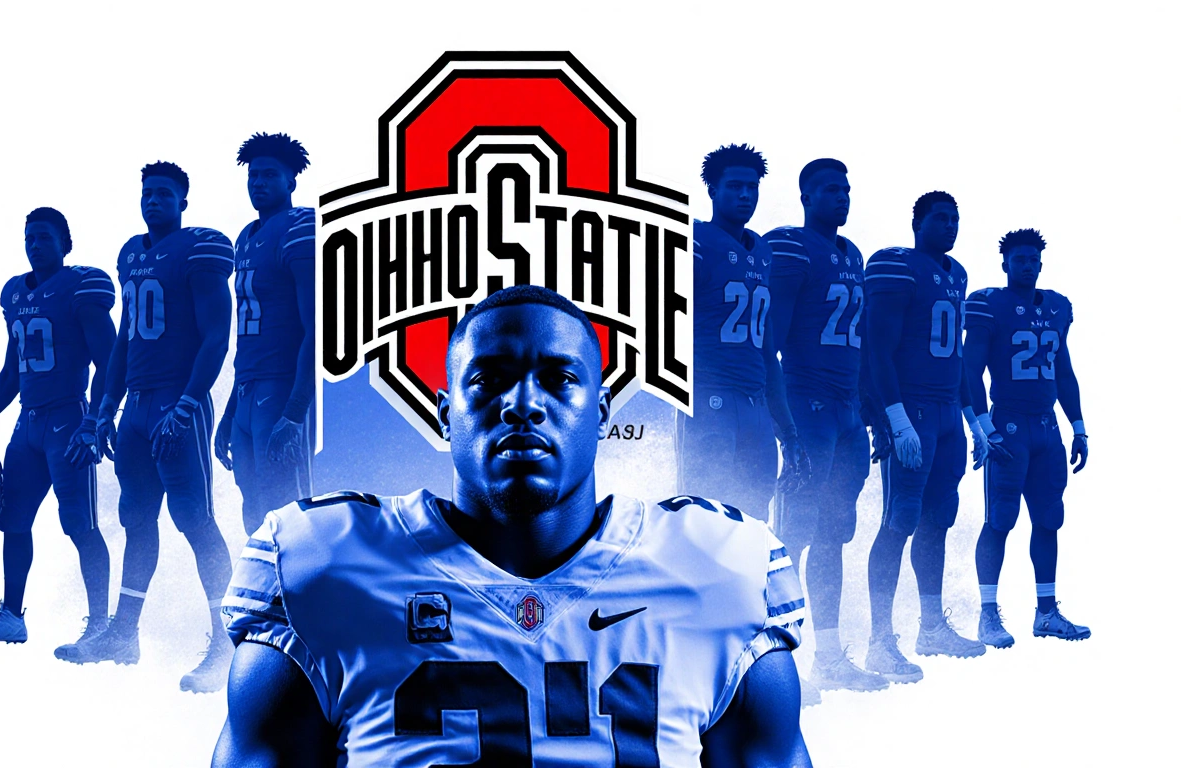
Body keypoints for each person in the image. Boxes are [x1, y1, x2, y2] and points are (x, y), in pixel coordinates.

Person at [213, 285, 812, 767]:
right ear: (445, 415)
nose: (522, 404)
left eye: (559, 378)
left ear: (601, 414)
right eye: (489, 379)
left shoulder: (715, 571)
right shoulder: (323, 566)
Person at [60, 161, 237, 694]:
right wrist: (103, 409)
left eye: (164, 193)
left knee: (195, 519)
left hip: (176, 402)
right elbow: (125, 339)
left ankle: (228, 642)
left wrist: (188, 403)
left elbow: (217, 335)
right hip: (135, 406)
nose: (153, 200)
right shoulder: (131, 254)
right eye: (147, 193)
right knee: (137, 519)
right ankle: (123, 635)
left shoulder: (199, 249)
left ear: (183, 202)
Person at [0, 207, 115, 654]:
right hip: (28, 423)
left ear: (65, 244)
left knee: (80, 523)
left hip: (68, 419)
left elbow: (109, 361)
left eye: (45, 237)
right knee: (13, 520)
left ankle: (100, 624)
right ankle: (12, 616)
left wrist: (94, 421)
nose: (35, 244)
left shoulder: (81, 286)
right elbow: (12, 371)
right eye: (29, 237)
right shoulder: (14, 294)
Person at [765, 159, 888, 697]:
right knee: (791, 536)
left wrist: (873, 411)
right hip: (808, 403)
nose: (842, 198)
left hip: (847, 412)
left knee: (834, 535)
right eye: (830, 190)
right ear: (806, 197)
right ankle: (774, 660)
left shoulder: (852, 253)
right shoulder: (792, 247)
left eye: (846, 190)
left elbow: (861, 345)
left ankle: (830, 657)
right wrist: (784, 424)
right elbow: (771, 342)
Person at [862, 191, 991, 684]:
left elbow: (955, 357)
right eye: (940, 218)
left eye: (955, 219)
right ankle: (879, 641)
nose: (950, 226)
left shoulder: (957, 275)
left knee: (939, 519)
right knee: (900, 519)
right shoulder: (897, 266)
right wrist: (894, 418)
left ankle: (931, 627)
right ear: (917, 222)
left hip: (947, 414)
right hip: (912, 407)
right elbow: (877, 349)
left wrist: (975, 421)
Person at [964, 228, 1090, 646]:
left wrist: (1078, 426)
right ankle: (987, 615)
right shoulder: (990, 304)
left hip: (1048, 427)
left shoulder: (1056, 307)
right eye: (1019, 259)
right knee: (1000, 518)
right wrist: (984, 428)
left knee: (1050, 518)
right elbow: (970, 371)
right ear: (1005, 263)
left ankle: (1046, 613)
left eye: (1033, 259)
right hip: (1009, 425)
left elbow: (1064, 372)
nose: (1027, 266)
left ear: (1041, 263)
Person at [680, 143, 806, 522]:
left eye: (752, 187)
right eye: (735, 186)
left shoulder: (762, 251)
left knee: (753, 523)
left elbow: (767, 352)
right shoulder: (694, 241)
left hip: (755, 406)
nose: (745, 195)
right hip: (708, 400)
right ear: (712, 190)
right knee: (703, 519)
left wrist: (789, 432)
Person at [214, 132, 316, 534]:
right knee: (252, 507)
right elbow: (248, 339)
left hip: (281, 386)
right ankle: (261, 577)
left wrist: (295, 411)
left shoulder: (299, 226)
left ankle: (300, 578)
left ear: (291, 181)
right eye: (253, 175)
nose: (258, 182)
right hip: (248, 390)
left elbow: (316, 328)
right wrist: (228, 414)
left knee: (285, 509)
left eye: (269, 174)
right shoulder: (245, 238)